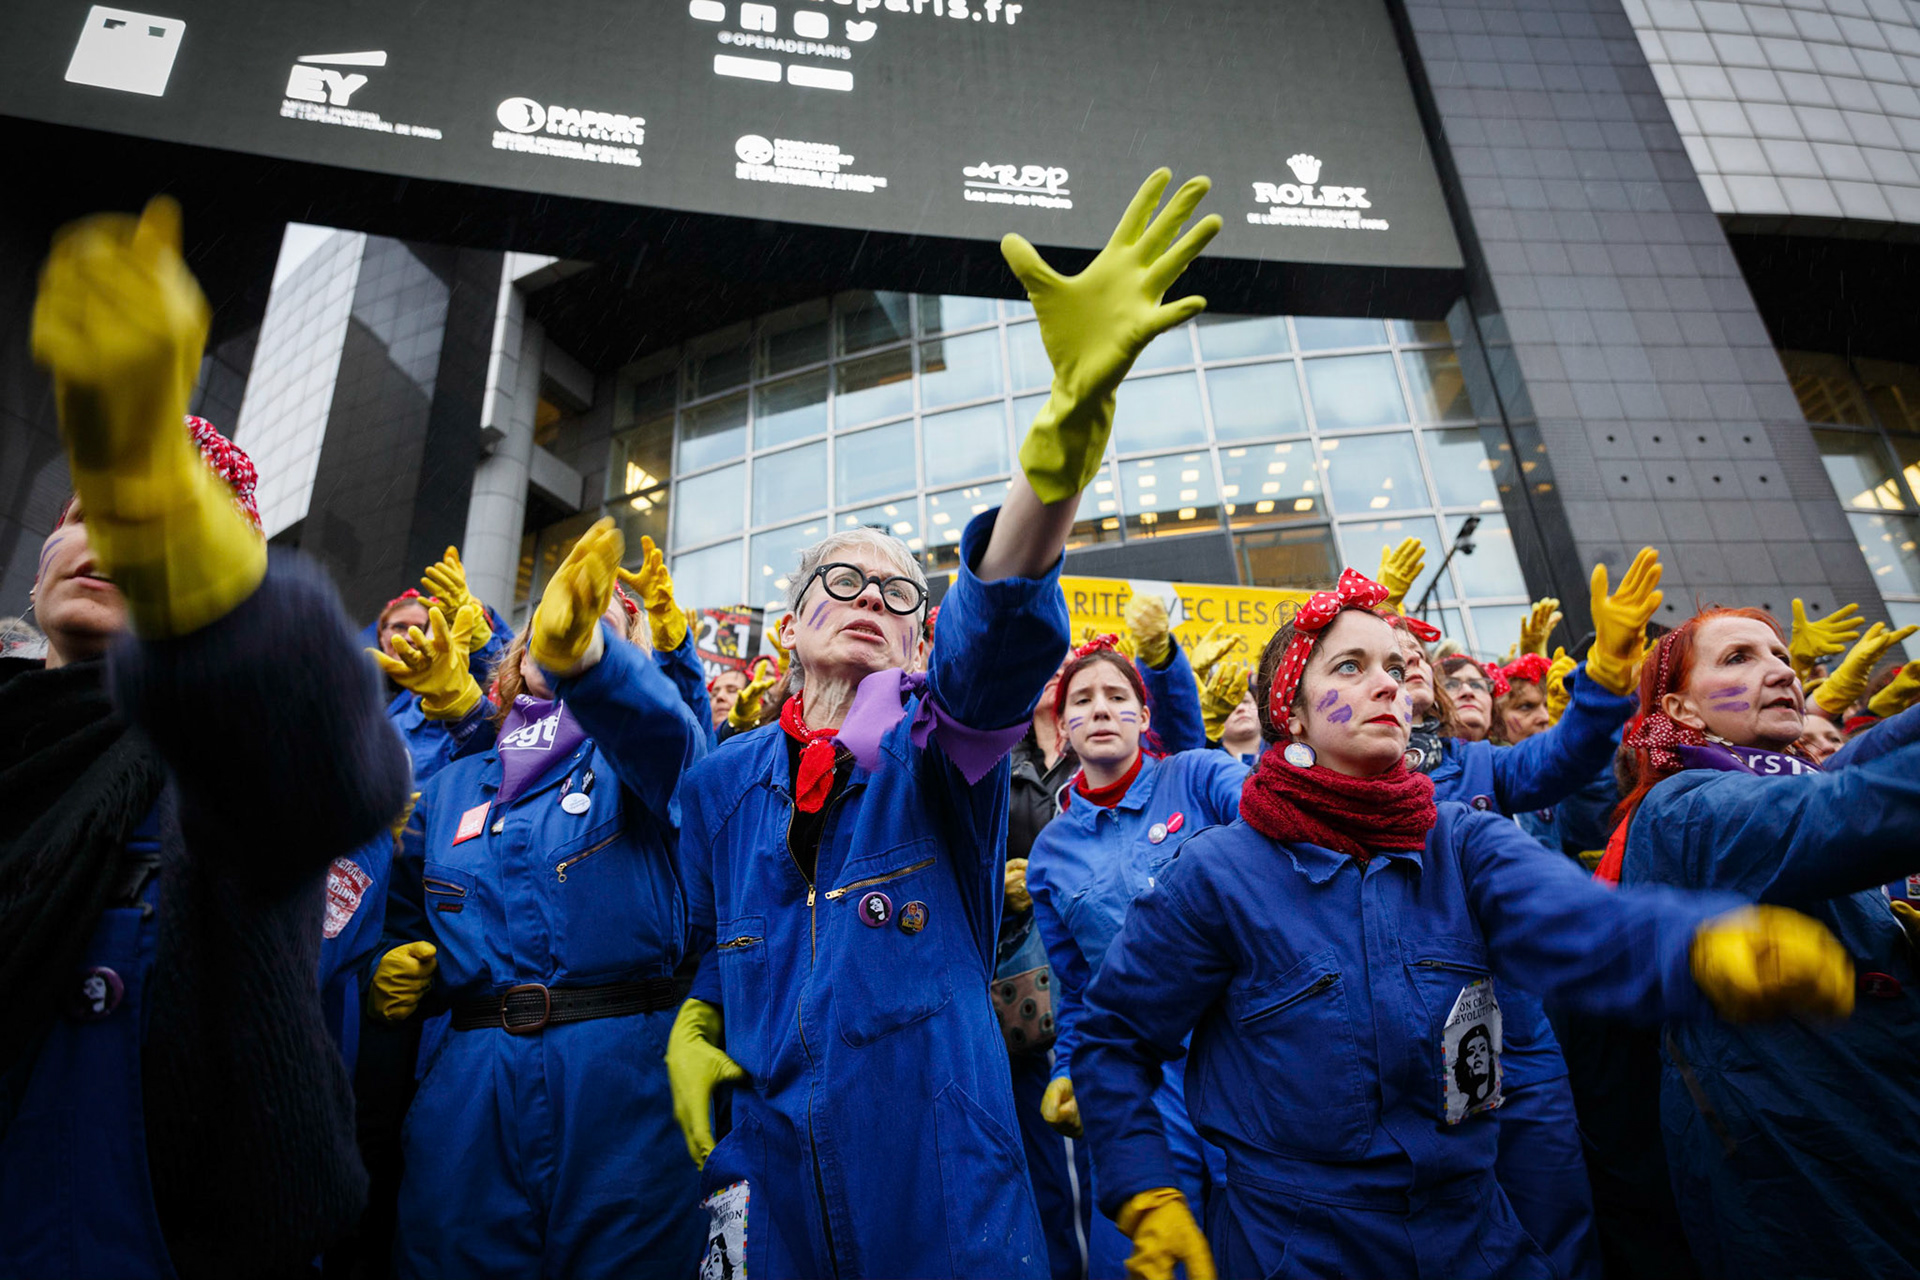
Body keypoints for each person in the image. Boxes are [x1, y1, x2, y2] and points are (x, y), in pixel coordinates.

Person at [665, 168, 1224, 1280]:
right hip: (767, 1190)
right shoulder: (720, 782)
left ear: (921, 643)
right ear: (788, 624)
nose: (875, 598)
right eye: (844, 581)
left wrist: (1059, 441)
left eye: (901, 592)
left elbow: (998, 640)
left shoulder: (937, 752)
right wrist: (694, 1012)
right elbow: (716, 938)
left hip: (942, 1197)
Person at [1068, 569, 1855, 1280]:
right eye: (1351, 667)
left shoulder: (1464, 840)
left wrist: (1703, 948)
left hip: (1473, 1232)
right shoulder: (1218, 874)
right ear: (1293, 715)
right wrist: (1143, 1186)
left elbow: (1582, 924)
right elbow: (1115, 1039)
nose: (1391, 685)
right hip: (1295, 1247)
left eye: (1397, 667)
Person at [2, 198, 410, 1276]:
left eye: (145, 521)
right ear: (39, 562)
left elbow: (323, 762)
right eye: (87, 513)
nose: (106, 539)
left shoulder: (219, 764)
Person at [375, 525, 710, 1278]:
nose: (567, 639)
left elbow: (672, 743)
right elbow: (397, 913)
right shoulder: (458, 784)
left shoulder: (642, 756)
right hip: (469, 1092)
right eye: (549, 634)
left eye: (601, 631)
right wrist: (383, 969)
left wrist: (592, 664)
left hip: (624, 1086)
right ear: (513, 664)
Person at [1611, 606, 1920, 1279]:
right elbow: (1842, 813)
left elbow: (1850, 774)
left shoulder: (1782, 778)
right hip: (1797, 1167)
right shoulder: (1684, 804)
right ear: (1682, 710)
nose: (1779, 670)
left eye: (1780, 656)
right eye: (1738, 659)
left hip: (1872, 1130)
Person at [1394, 554, 1663, 1280]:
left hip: (1519, 1030)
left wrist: (1606, 676)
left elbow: (1569, 756)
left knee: (1557, 1212)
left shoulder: (1482, 765)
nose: (1409, 664)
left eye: (1416, 654)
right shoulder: (1338, 781)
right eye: (1387, 658)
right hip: (1408, 1042)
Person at [1027, 633, 1244, 1278]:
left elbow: (1275, 816)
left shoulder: (1200, 776)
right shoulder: (1050, 854)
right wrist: (1068, 1068)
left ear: (1145, 718)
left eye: (1117, 696)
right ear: (1062, 725)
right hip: (1133, 1085)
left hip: (1248, 1058)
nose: (1099, 709)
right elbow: (1074, 992)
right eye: (1083, 699)